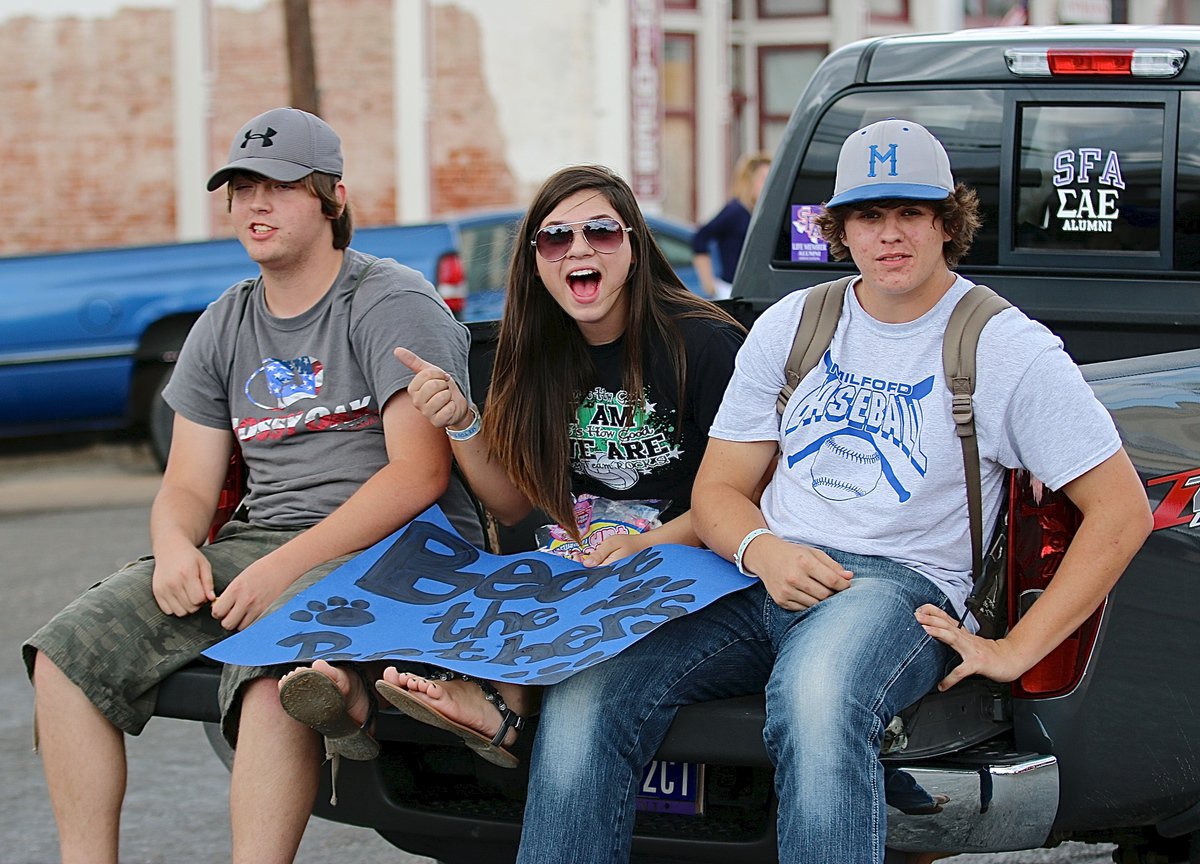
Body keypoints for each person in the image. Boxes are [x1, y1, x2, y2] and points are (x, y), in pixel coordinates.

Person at [514, 118, 1153, 864]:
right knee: (589, 683)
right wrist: (763, 550)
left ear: (948, 223)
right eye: (868, 216)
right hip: (760, 576)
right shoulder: (797, 323)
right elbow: (720, 488)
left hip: (894, 589)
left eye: (911, 213)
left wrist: (1018, 648)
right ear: (840, 229)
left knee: (816, 698)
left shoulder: (1006, 346)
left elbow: (1120, 509)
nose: (890, 235)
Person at [21, 106, 481, 864]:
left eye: (278, 186)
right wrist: (173, 547)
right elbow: (186, 486)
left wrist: (284, 568)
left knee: (276, 670)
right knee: (66, 655)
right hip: (264, 545)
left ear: (331, 196)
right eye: (239, 187)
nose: (254, 204)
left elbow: (420, 474)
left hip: (401, 545)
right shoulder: (223, 324)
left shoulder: (388, 299)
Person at [278, 164, 746, 770]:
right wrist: (461, 423)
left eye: (601, 232)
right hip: (574, 562)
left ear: (633, 244)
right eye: (556, 238)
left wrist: (652, 543)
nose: (578, 248)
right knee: (452, 585)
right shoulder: (530, 355)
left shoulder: (704, 342)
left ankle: (497, 707)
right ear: (536, 261)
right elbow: (511, 504)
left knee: (554, 596)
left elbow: (747, 490)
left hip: (689, 561)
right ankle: (357, 688)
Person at [692, 150, 772, 300]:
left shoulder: (759, 213)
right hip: (731, 290)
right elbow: (700, 237)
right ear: (749, 181)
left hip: (752, 290)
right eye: (763, 179)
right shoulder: (735, 211)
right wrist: (708, 282)